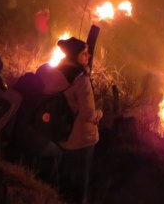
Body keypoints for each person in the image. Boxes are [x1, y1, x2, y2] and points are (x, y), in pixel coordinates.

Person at [37, 37, 102, 204]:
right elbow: (88, 114)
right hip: (82, 140)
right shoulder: (81, 80)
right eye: (84, 53)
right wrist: (99, 114)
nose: (88, 56)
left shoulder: (53, 72)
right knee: (80, 182)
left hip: (59, 133)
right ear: (75, 56)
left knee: (63, 178)